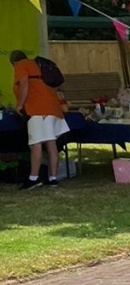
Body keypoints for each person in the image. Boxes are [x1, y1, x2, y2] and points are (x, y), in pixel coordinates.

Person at [9, 50, 69, 190]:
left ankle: (33, 178)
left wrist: (20, 104)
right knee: (51, 143)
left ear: (13, 62)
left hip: (38, 109)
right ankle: (53, 178)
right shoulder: (36, 64)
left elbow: (24, 83)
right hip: (53, 108)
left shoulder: (21, 65)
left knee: (35, 144)